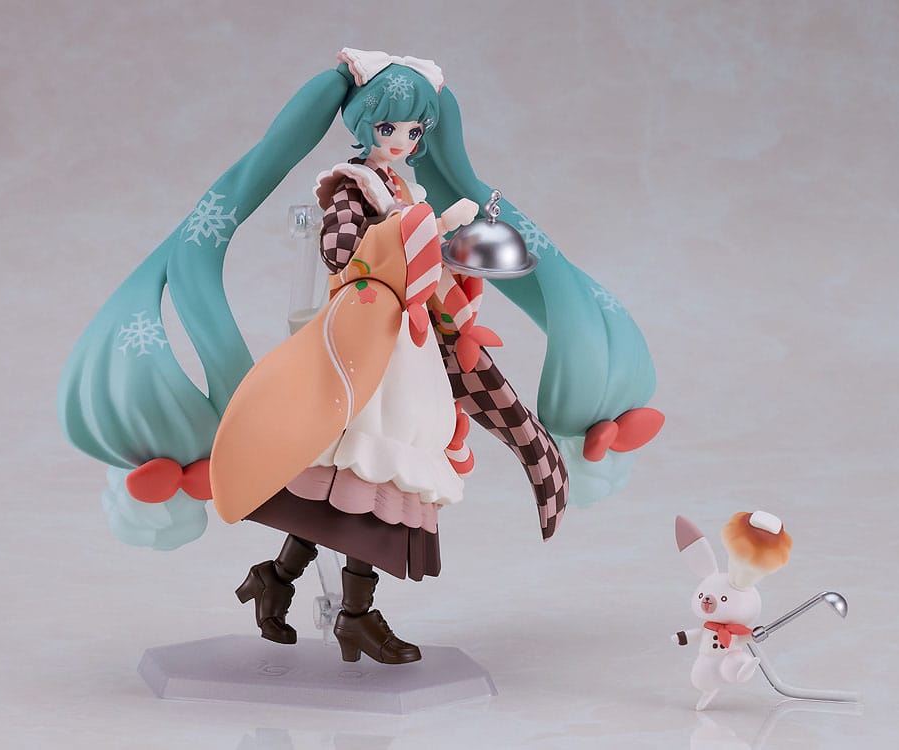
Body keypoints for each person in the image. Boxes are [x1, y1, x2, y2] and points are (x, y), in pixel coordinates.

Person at [58, 48, 663, 665]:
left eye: (415, 131)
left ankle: (278, 580)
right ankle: (352, 616)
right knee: (363, 477)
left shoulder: (403, 185)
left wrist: (447, 253)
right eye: (389, 127)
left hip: (405, 346)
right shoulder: (352, 184)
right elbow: (340, 250)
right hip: (361, 344)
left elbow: (426, 262)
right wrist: (413, 236)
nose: (401, 140)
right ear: (364, 125)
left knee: (347, 487)